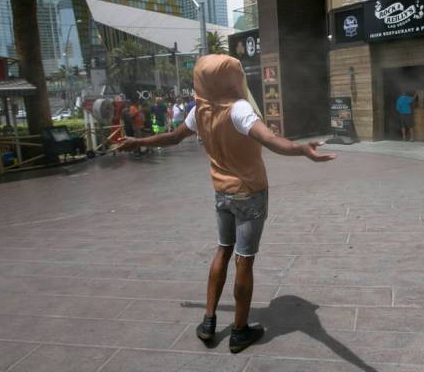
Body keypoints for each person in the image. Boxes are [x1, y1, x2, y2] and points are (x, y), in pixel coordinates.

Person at [119, 55, 336, 353]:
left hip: (221, 193)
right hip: (249, 194)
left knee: (223, 250)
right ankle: (239, 331)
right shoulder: (239, 110)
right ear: (231, 79)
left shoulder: (200, 111)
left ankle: (208, 322)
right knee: (244, 259)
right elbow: (270, 140)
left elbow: (172, 138)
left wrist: (138, 142)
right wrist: (301, 149)